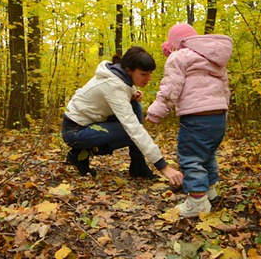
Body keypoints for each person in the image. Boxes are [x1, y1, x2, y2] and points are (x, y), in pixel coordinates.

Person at [61, 46, 184, 187]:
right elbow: (133, 128)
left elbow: (122, 87)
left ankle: (138, 166)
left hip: (91, 126)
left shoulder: (118, 77)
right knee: (130, 131)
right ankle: (79, 153)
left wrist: (132, 92)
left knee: (134, 105)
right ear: (128, 70)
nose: (148, 78)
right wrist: (163, 167)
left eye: (150, 74)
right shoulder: (112, 85)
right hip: (75, 131)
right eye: (144, 74)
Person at [146, 23, 233, 218]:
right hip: (218, 117)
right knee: (207, 154)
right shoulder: (213, 59)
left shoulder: (179, 56)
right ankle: (210, 192)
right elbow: (225, 88)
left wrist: (157, 111)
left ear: (175, 43)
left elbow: (171, 87)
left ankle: (197, 202)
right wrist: (223, 113)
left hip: (196, 117)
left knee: (190, 158)